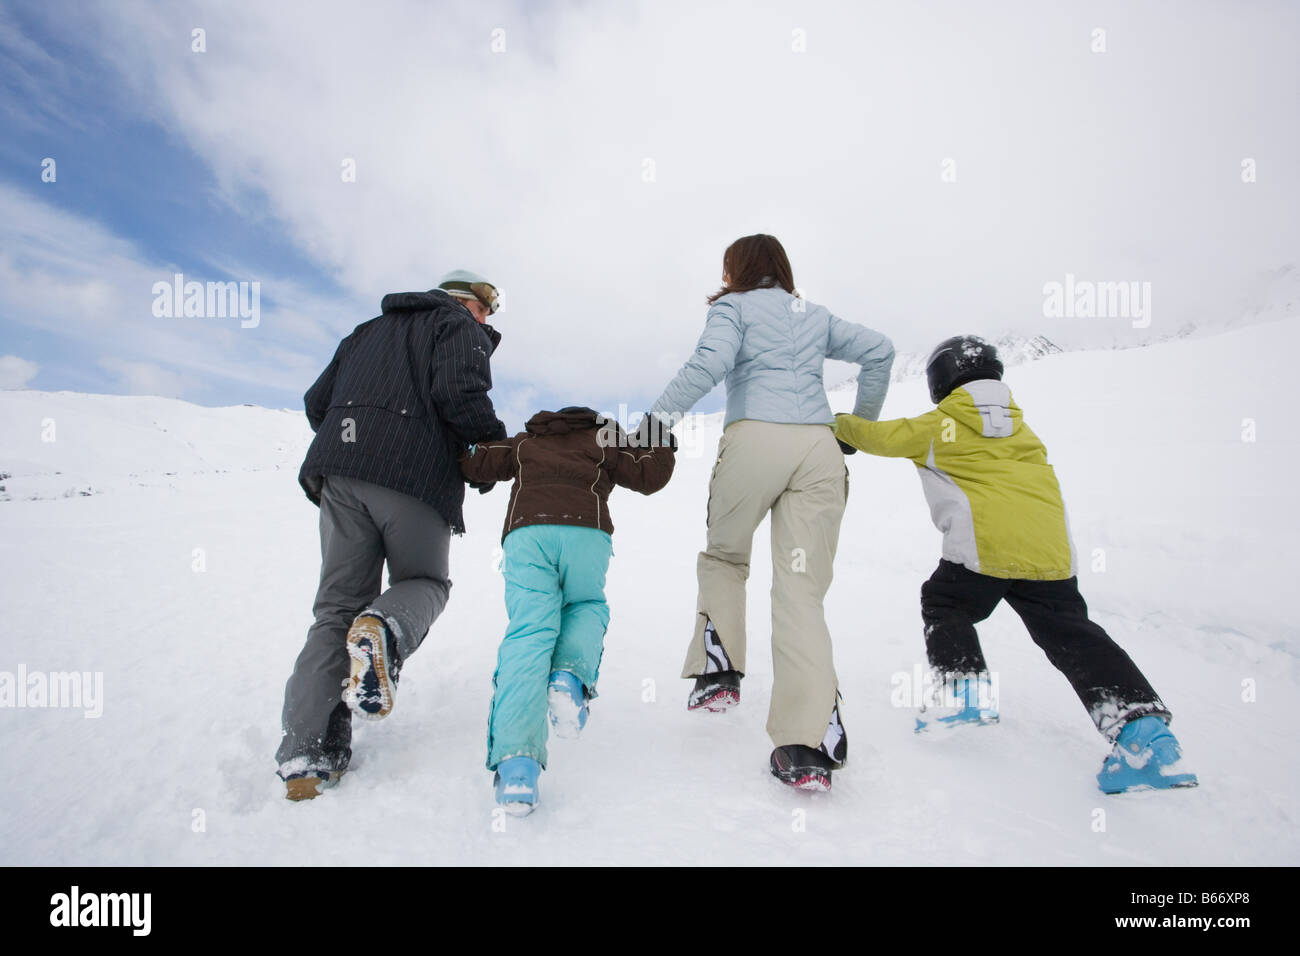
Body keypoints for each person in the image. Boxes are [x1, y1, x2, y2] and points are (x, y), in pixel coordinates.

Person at [833, 335, 1198, 794]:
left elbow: (874, 437)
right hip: (1051, 552)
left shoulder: (939, 424)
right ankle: (1146, 738)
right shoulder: (1023, 428)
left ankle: (963, 692)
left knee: (945, 601)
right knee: (1074, 636)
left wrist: (835, 425)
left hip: (986, 547)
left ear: (940, 382)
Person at [649, 234, 894, 792]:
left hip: (756, 438)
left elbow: (708, 363)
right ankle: (806, 742)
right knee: (801, 590)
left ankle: (719, 672)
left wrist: (653, 423)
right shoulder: (814, 314)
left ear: (734, 270)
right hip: (818, 449)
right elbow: (880, 350)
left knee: (726, 555)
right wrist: (855, 429)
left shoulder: (732, 309)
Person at [276, 270, 507, 801]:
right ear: (466, 302)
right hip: (414, 477)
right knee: (425, 580)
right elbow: (459, 395)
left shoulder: (363, 332)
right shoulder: (458, 329)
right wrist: (491, 457)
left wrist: (355, 441)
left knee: (335, 608)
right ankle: (384, 630)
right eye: (488, 307)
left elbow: (317, 402)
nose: (489, 319)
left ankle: (306, 756)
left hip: (338, 475)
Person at [459, 407, 675, 814]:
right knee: (585, 605)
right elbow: (650, 475)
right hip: (586, 532)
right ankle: (569, 677)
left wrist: (458, 441)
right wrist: (658, 436)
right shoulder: (604, 439)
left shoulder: (527, 443)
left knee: (529, 633)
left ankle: (518, 768)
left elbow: (476, 461)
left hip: (528, 533)